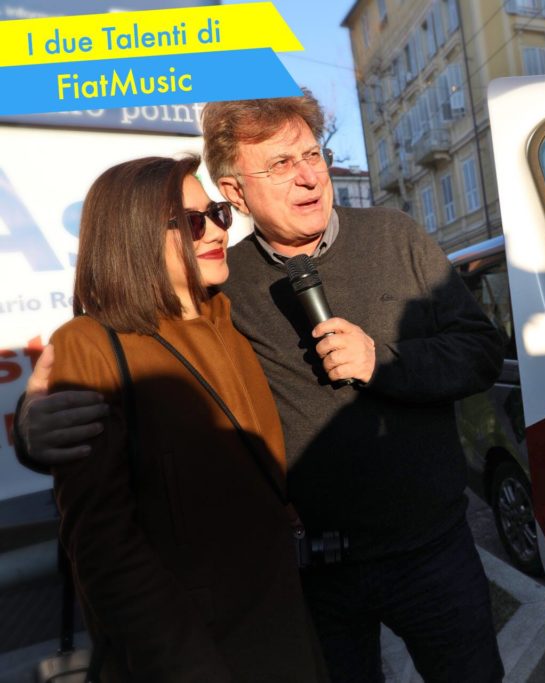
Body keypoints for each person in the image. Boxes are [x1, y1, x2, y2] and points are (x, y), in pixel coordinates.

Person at [18, 93, 505, 683]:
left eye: (312, 155)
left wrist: (385, 359)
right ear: (237, 193)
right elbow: (132, 355)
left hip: (431, 550)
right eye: (279, 165)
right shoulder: (221, 278)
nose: (307, 177)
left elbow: (480, 352)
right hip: (308, 576)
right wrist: (32, 424)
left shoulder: (395, 236)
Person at [35, 155, 326, 682]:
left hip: (284, 628)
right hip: (195, 652)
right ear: (134, 235)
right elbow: (101, 546)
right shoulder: (89, 344)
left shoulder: (235, 319)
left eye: (217, 212)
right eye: (193, 220)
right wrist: (186, 666)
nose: (217, 228)